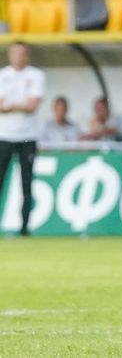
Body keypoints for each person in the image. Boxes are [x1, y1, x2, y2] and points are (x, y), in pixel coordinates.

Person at [0, 42, 44, 236]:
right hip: (4, 136)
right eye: (16, 53)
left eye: (23, 53)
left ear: (27, 55)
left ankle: (25, 227)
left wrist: (10, 105)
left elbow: (32, 106)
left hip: (27, 137)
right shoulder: (3, 75)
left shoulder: (36, 75)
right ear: (10, 54)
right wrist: (21, 105)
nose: (19, 56)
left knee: (26, 183)